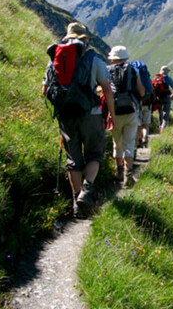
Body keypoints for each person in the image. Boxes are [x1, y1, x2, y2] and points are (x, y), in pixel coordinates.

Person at [42, 22, 115, 218]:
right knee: (94, 154)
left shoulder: (54, 57)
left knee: (73, 159)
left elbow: (45, 89)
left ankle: (76, 202)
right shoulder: (92, 58)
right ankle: (87, 189)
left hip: (66, 115)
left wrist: (61, 106)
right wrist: (110, 115)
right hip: (90, 113)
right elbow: (107, 89)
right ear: (84, 39)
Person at [107, 46, 145, 187]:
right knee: (129, 143)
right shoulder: (133, 70)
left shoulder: (106, 70)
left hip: (114, 112)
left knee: (117, 144)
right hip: (131, 110)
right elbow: (141, 91)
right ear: (125, 58)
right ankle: (128, 173)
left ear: (113, 58)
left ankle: (119, 172)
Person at [153, 65, 173, 132]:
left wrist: (154, 98)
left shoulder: (156, 78)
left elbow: (153, 88)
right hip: (166, 97)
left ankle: (159, 126)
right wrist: (172, 96)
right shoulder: (168, 78)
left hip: (158, 97)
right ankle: (163, 127)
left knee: (160, 112)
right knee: (166, 112)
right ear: (167, 72)